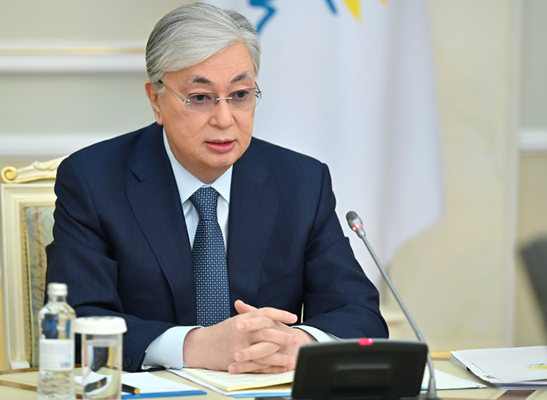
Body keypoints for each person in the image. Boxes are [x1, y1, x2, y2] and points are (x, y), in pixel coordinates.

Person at [45, 2, 388, 374]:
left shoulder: (302, 181)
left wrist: (295, 344)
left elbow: (359, 314)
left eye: (240, 95)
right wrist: (195, 346)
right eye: (200, 97)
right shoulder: (93, 180)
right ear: (156, 100)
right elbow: (77, 320)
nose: (224, 119)